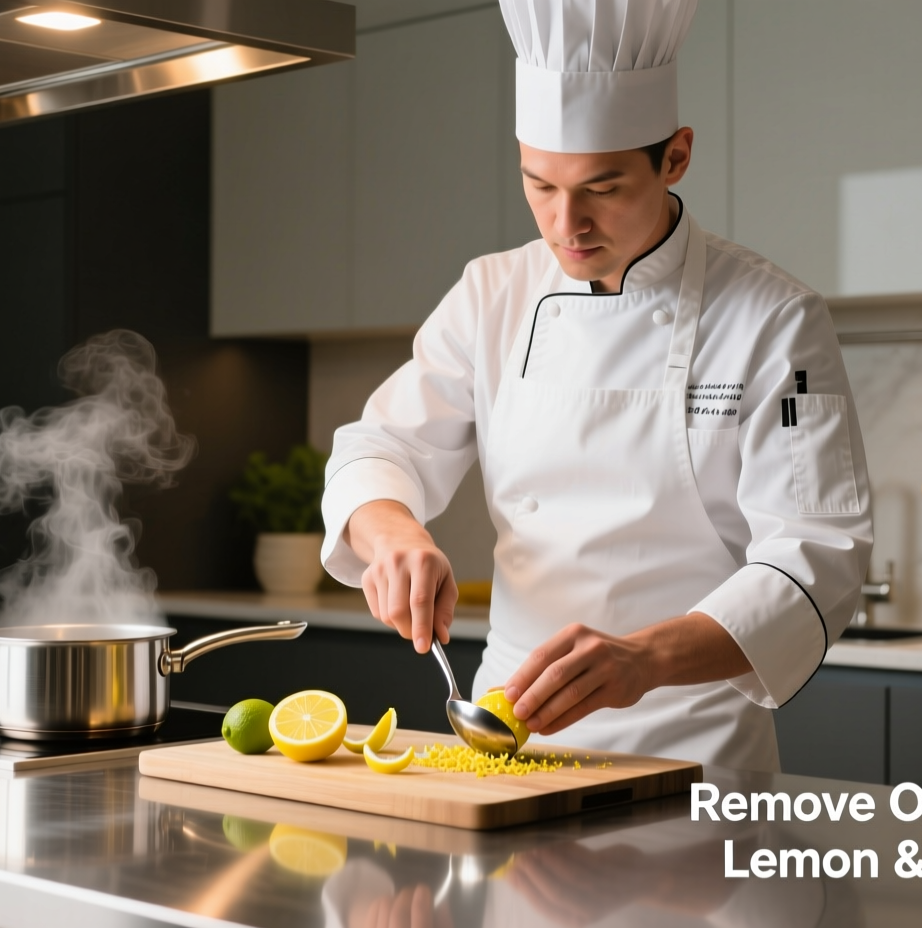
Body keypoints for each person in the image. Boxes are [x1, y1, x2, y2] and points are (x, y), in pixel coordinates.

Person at [320, 0, 872, 772]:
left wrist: (643, 659)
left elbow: (817, 554)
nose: (565, 224)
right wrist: (395, 538)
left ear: (675, 157)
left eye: (602, 188)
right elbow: (379, 447)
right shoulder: (492, 294)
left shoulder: (773, 318)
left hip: (691, 756)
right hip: (506, 743)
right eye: (539, 184)